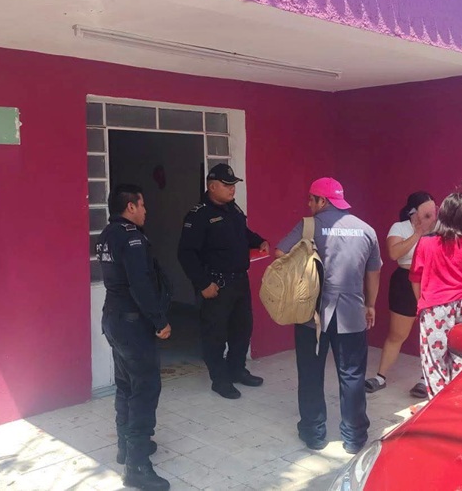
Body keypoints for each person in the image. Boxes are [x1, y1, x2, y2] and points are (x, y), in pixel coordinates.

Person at [275, 177, 382, 455]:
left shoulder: (308, 226)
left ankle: (314, 434)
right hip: (352, 315)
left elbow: (280, 253)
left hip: (311, 315)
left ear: (322, 201)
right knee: (353, 376)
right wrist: (370, 305)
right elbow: (373, 271)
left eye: (311, 199)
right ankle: (354, 438)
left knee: (310, 374)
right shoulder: (366, 230)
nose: (309, 204)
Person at [96, 184, 172, 491]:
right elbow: (140, 284)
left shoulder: (107, 234)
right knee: (145, 388)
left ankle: (125, 447)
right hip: (132, 322)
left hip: (114, 319)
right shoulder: (132, 237)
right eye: (142, 205)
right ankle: (137, 466)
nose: (145, 211)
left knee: (126, 384)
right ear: (130, 207)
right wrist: (159, 320)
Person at [177, 163, 269, 400]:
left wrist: (259, 241)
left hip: (239, 282)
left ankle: (237, 370)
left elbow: (243, 233)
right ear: (212, 187)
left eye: (233, 184)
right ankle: (219, 379)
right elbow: (186, 254)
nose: (232, 189)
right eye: (227, 185)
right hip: (216, 285)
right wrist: (202, 284)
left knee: (242, 329)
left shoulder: (232, 209)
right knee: (215, 334)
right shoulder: (199, 215)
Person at [409, 192, 462, 398]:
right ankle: (460, 401)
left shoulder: (427, 243)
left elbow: (415, 278)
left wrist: (422, 304)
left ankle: (440, 406)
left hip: (436, 307)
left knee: (435, 362)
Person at [365, 192, 437, 398]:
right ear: (413, 212)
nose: (431, 217)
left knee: (432, 333)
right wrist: (418, 233)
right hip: (405, 281)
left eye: (433, 212)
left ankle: (425, 379)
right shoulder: (400, 228)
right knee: (397, 334)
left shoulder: (439, 228)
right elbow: (394, 253)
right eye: (426, 213)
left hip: (430, 282)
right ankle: (380, 377)